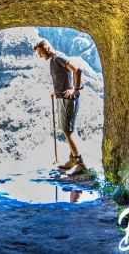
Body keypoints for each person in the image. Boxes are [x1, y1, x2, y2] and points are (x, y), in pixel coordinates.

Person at [33, 39, 86, 176]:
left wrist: (75, 89)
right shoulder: (53, 61)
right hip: (62, 98)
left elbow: (77, 70)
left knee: (66, 131)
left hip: (68, 99)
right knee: (67, 129)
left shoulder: (58, 59)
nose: (40, 56)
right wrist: (56, 92)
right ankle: (72, 160)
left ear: (47, 48)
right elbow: (62, 78)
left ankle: (80, 163)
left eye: (40, 52)